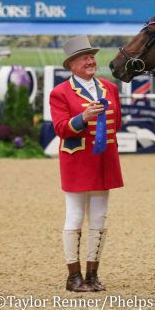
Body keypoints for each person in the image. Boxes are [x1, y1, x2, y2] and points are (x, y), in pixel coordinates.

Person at [49, 35, 124, 292]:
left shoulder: (109, 88)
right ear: (72, 64)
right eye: (85, 57)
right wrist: (83, 117)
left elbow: (119, 123)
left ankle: (92, 275)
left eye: (92, 56)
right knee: (75, 216)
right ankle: (73, 277)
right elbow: (61, 128)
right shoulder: (60, 93)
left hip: (104, 160)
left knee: (100, 219)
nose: (91, 60)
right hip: (78, 162)